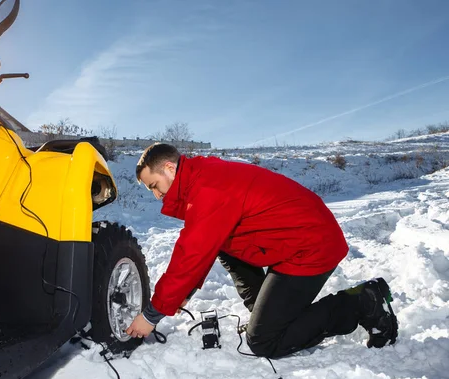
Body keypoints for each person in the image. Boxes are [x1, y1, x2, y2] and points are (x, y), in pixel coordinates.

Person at [125, 143, 398, 358]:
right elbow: (204, 248)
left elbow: (190, 254)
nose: (156, 195)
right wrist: (183, 293)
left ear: (170, 169)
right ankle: (265, 312)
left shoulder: (207, 188)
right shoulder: (202, 177)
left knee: (264, 342)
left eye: (154, 186)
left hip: (310, 246)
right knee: (224, 247)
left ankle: (362, 302)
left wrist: (152, 315)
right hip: (291, 238)